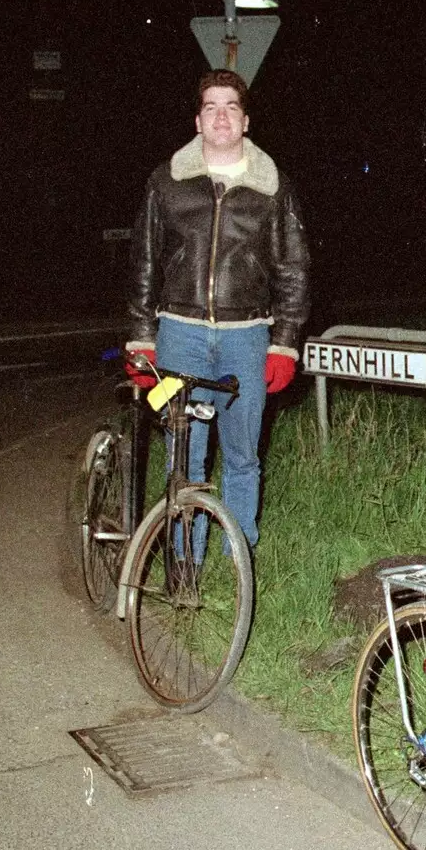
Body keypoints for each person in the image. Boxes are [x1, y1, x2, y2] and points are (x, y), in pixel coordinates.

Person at [124, 68, 311, 549]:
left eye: (231, 107)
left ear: (245, 121)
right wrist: (142, 337)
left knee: (242, 454)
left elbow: (293, 269)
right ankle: (186, 561)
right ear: (198, 120)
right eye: (211, 107)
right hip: (178, 334)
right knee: (183, 453)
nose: (221, 116)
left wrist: (284, 345)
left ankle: (238, 560)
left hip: (247, 336)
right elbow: (144, 260)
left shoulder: (273, 186)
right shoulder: (167, 182)